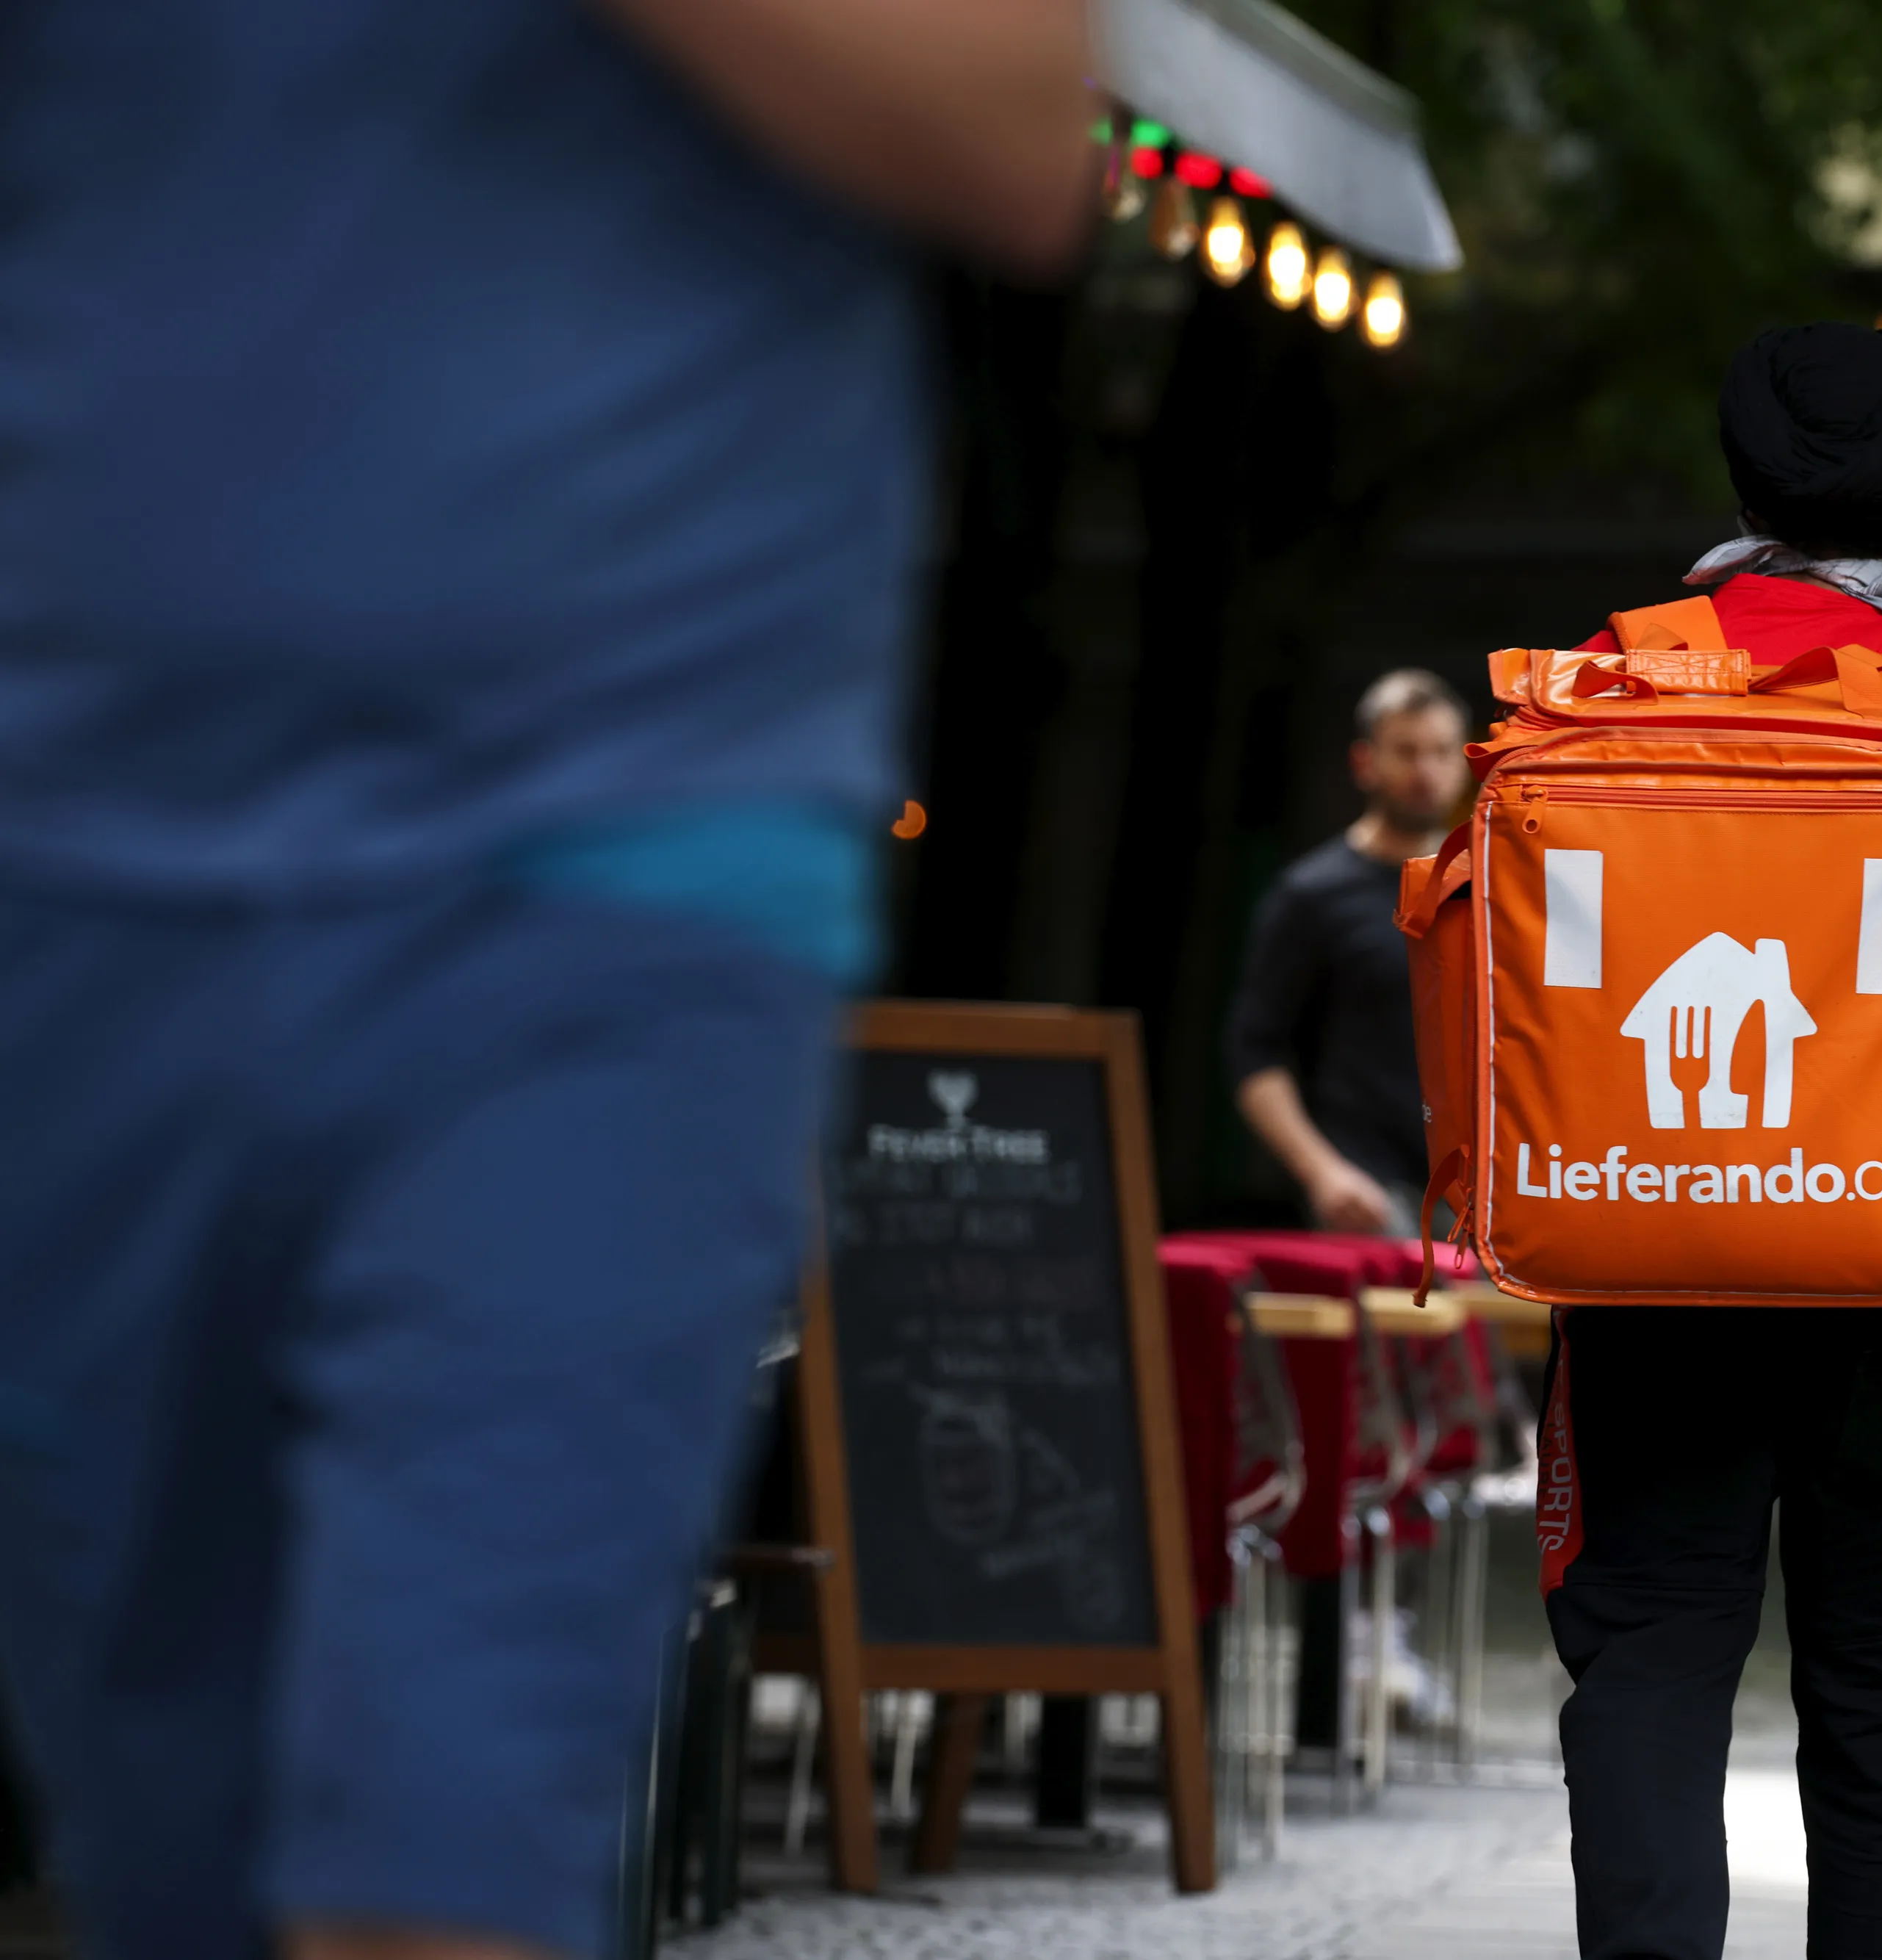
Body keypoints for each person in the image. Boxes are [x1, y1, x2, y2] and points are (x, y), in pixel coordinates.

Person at [0, 7, 1089, 1959]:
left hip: (619, 846)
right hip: (79, 856)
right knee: (175, 1857)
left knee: (436, 1840)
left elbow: (1014, 119)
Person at [1539, 322, 1882, 1960]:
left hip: (1646, 1242)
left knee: (1649, 1646)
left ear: (1741, 484)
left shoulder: (1598, 681)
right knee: (1880, 1689)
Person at [1227, 670, 1473, 1233]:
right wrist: (1322, 1173)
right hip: (1369, 1192)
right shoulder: (1312, 895)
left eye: (1439, 751)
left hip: (1475, 1194)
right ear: (1365, 762)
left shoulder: (1486, 890)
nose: (1425, 771)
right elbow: (1255, 1053)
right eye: (1406, 752)